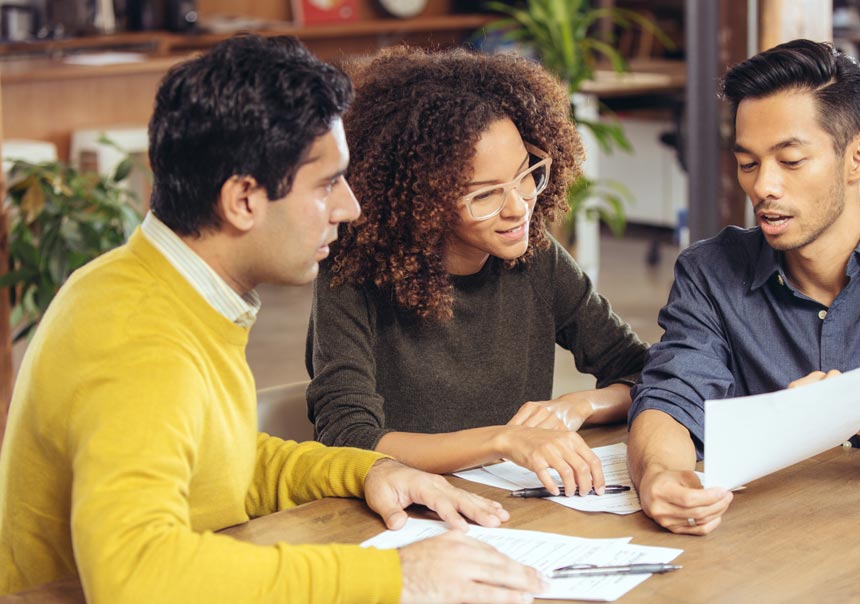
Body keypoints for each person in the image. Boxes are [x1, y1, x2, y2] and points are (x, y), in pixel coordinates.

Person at [0, 35, 548, 603]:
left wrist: (367, 470)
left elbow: (219, 462)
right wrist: (396, 578)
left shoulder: (167, 290)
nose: (350, 208)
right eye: (327, 183)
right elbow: (135, 575)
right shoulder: (138, 336)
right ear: (243, 200)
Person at [627, 39, 860, 536]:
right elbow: (672, 397)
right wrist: (660, 475)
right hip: (776, 550)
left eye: (791, 160)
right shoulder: (710, 272)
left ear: (858, 157)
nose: (764, 187)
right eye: (748, 163)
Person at [306, 47, 649, 497]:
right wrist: (503, 440)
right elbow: (348, 439)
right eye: (484, 196)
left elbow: (644, 371)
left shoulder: (535, 257)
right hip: (404, 512)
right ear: (422, 204)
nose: (519, 207)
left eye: (526, 174)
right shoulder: (354, 271)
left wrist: (578, 405)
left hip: (509, 504)